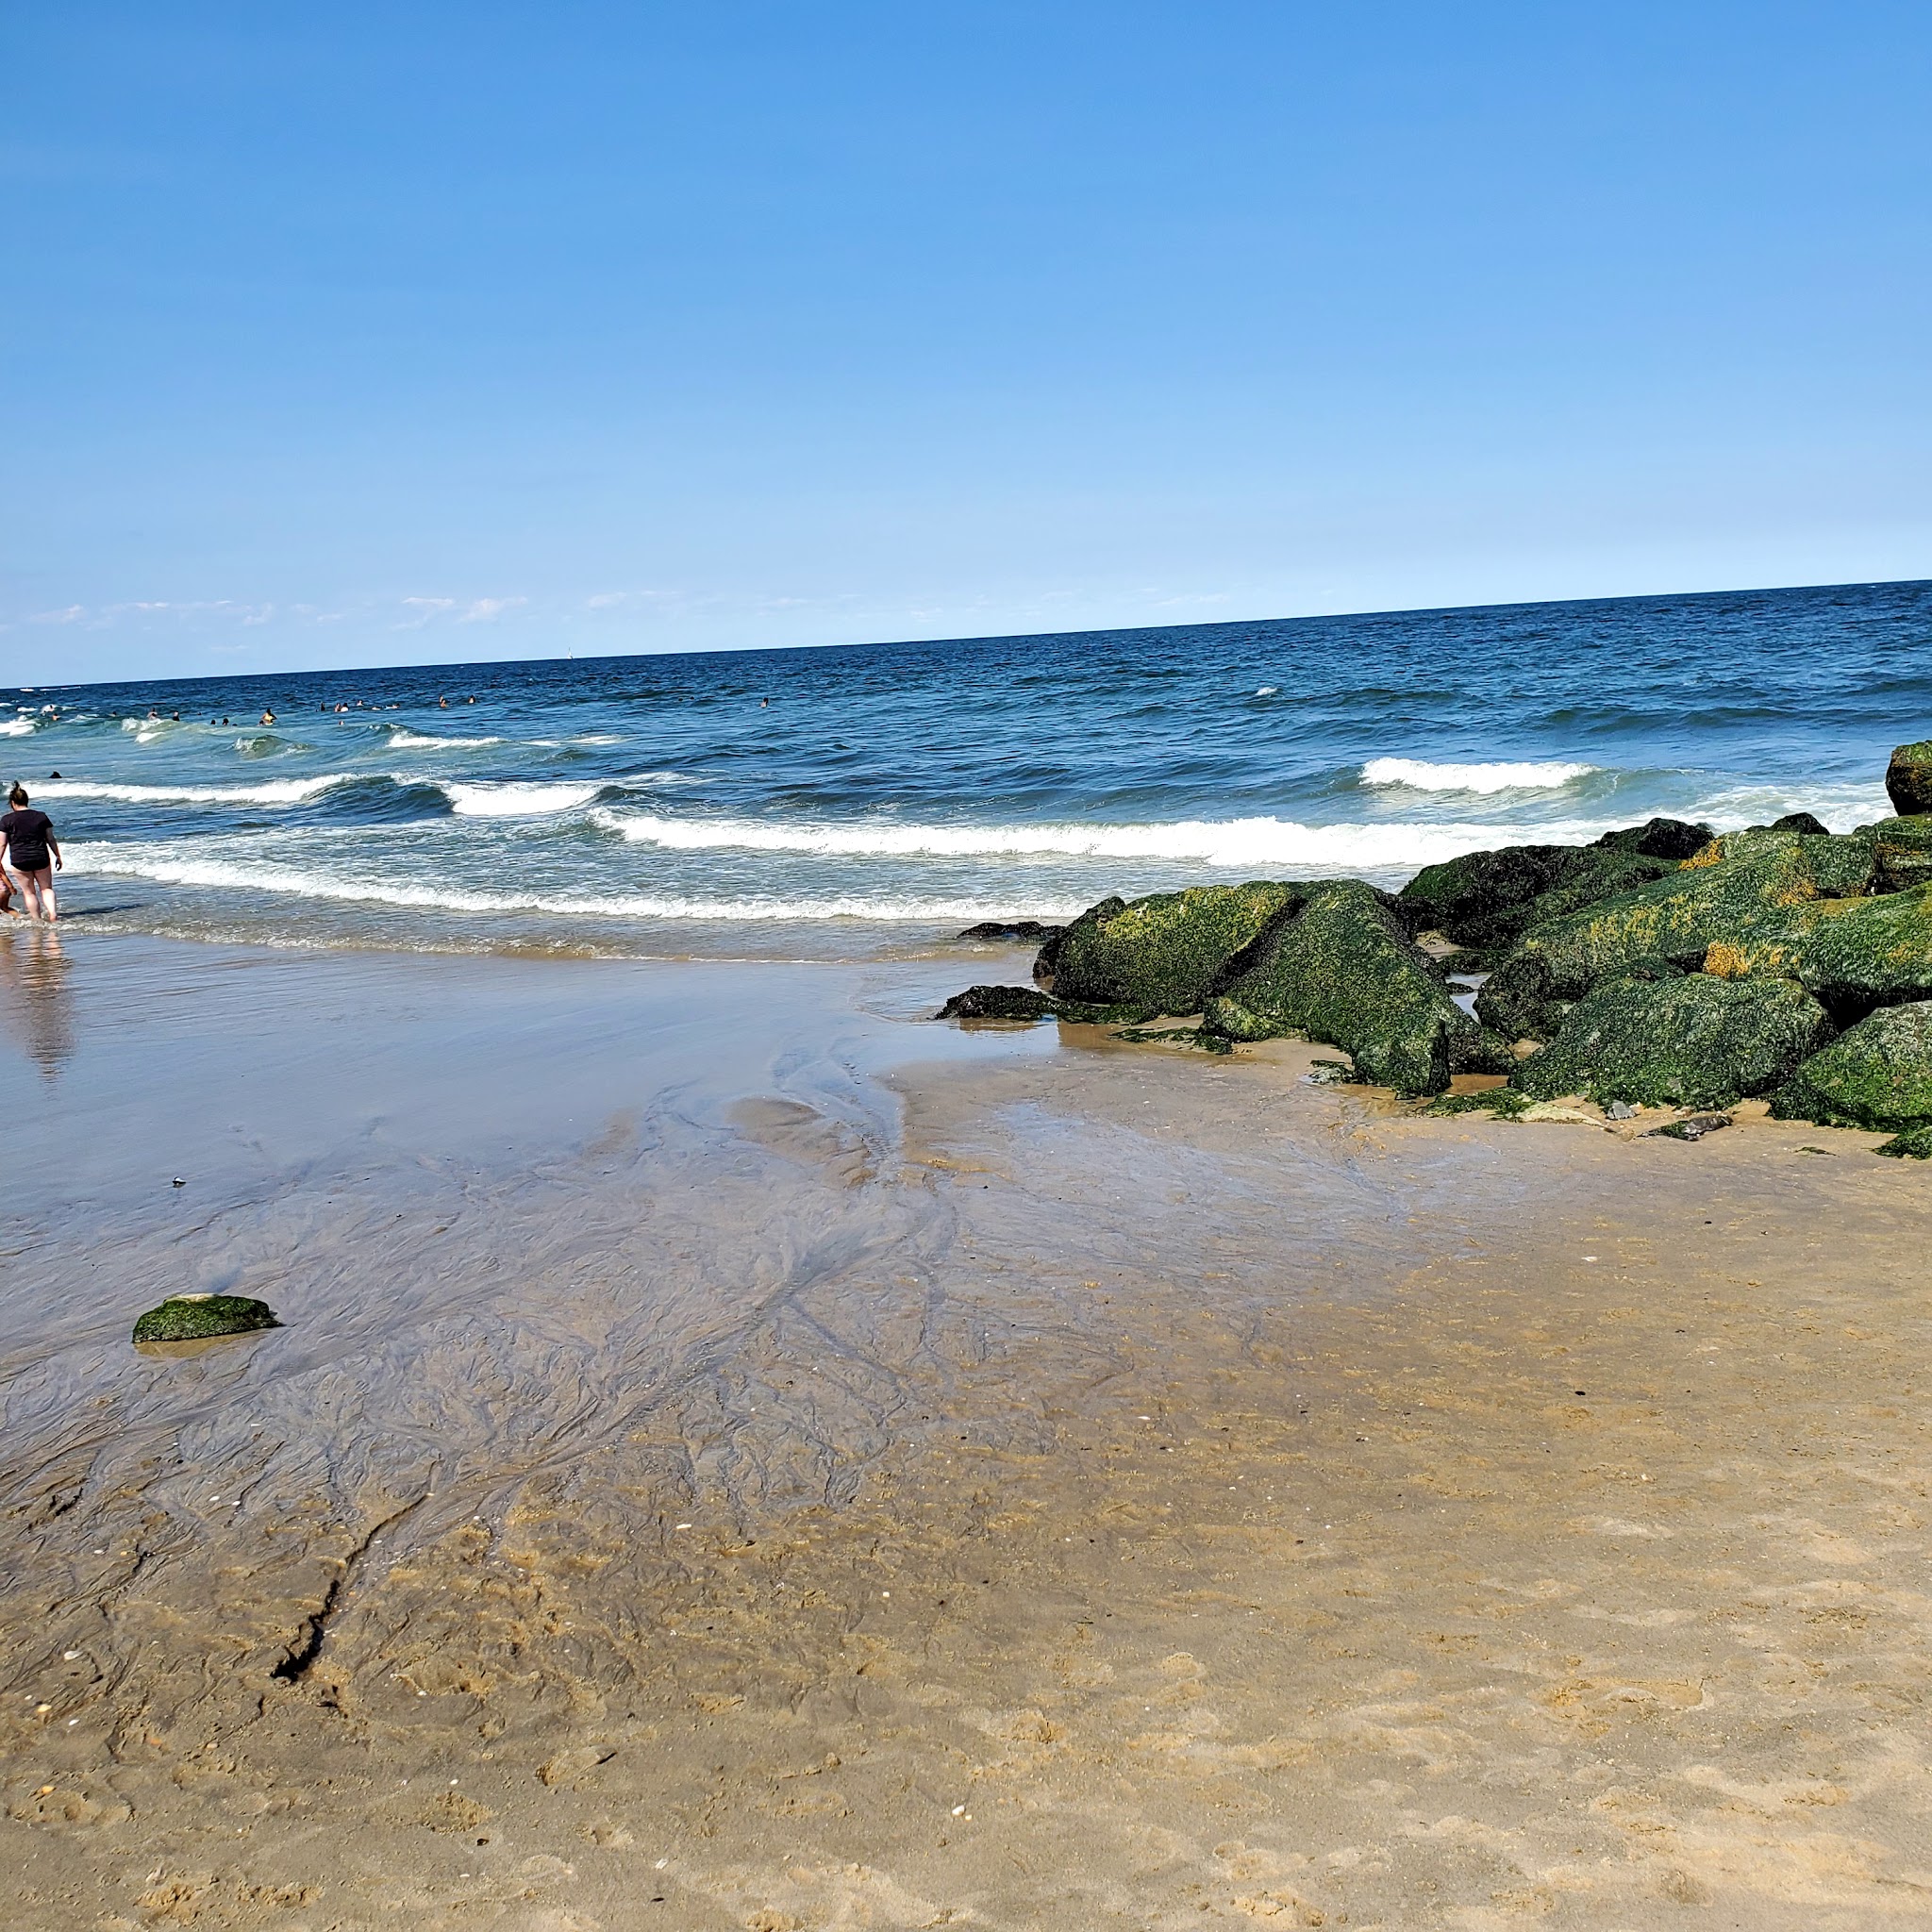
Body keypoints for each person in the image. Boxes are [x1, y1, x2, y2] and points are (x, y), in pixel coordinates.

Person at [1, 785, 61, 923]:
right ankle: (53, 914)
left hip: (19, 859)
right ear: (27, 800)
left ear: (12, 803)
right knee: (46, 889)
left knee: (29, 892)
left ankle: (37, 920)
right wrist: (58, 856)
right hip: (41, 857)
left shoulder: (6, 820)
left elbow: (2, 843)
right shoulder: (41, 817)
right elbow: (50, 839)